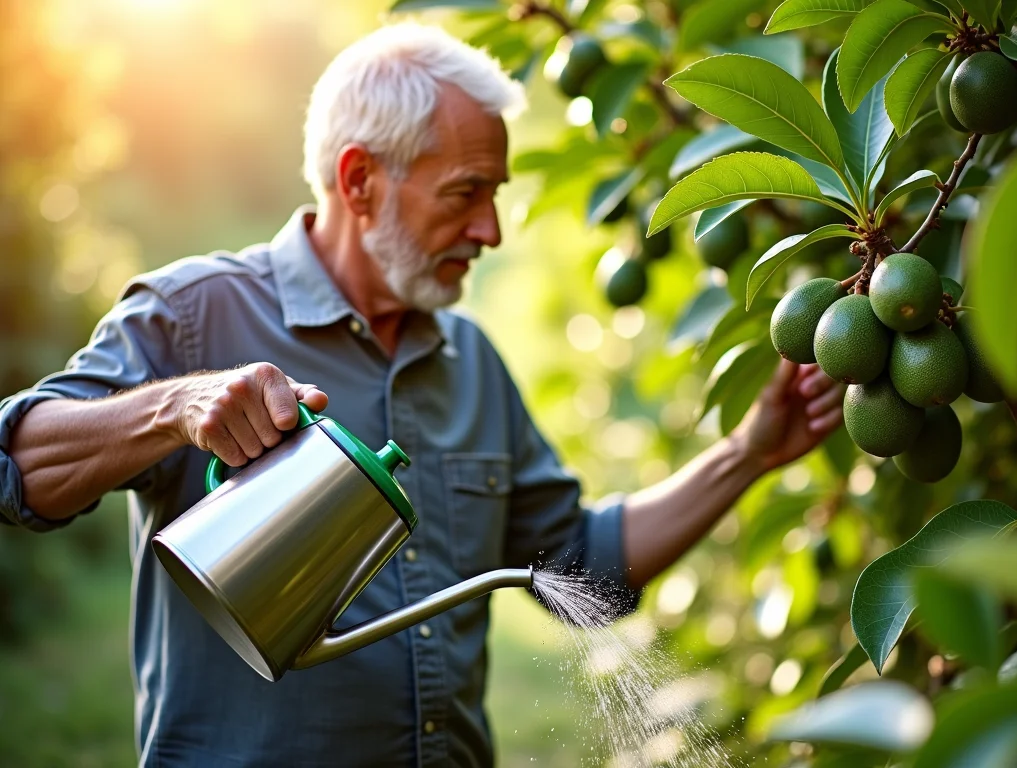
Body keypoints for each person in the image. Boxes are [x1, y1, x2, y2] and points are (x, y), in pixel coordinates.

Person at [0, 23, 845, 768]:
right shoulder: (192, 317)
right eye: (465, 194)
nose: (491, 231)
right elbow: (17, 466)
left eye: (496, 196)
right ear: (360, 180)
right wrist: (174, 409)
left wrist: (749, 454)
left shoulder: (471, 362)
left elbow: (583, 571)